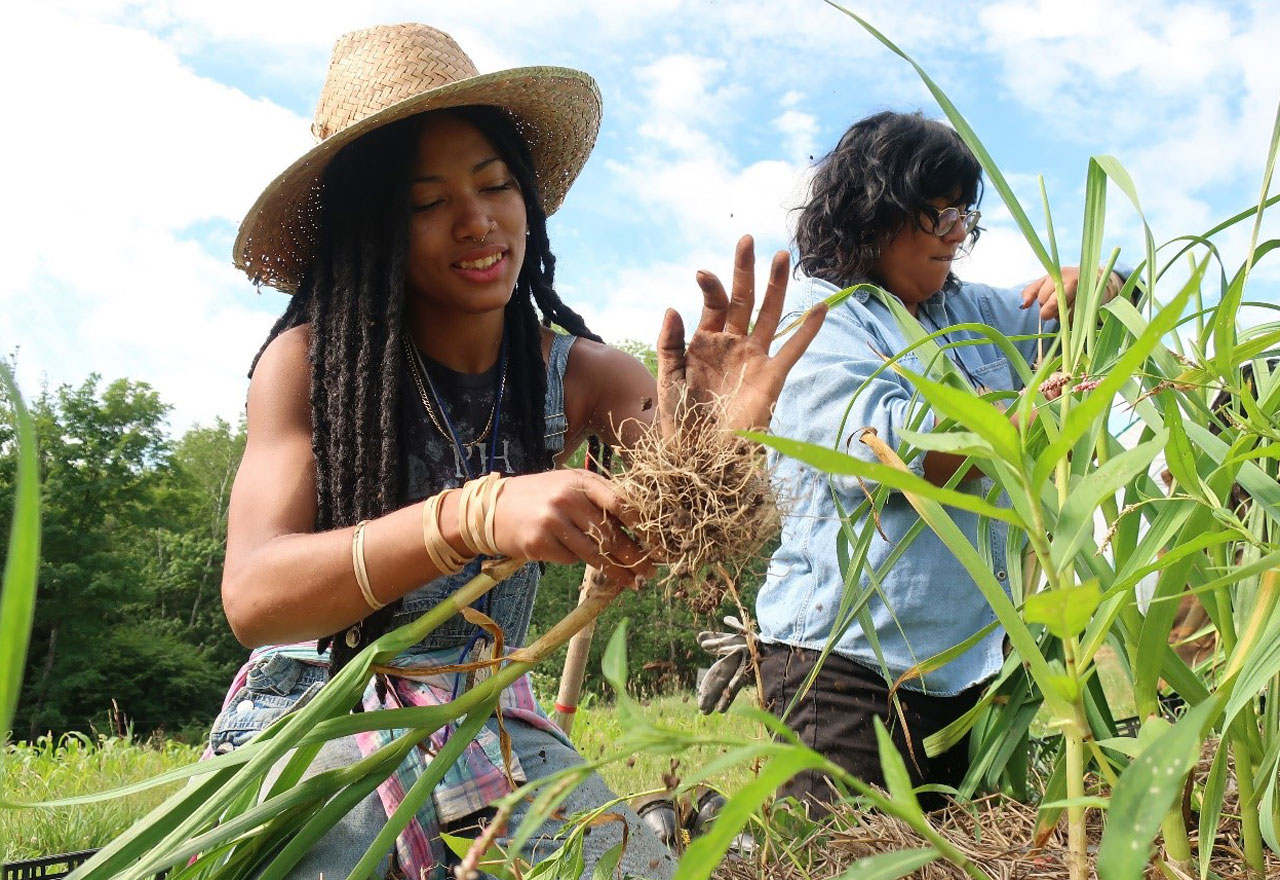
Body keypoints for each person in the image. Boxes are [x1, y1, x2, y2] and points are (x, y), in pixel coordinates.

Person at [207, 23, 825, 880]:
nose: (477, 221)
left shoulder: (578, 374)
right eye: (427, 203)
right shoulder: (306, 366)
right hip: (320, 715)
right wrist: (469, 516)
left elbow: (700, 527)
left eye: (496, 185)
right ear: (371, 229)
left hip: (486, 721)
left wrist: (721, 449)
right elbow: (255, 597)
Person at [754, 110, 1114, 812]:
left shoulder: (962, 311)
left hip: (966, 675)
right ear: (873, 213)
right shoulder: (825, 321)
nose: (958, 234)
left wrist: (1099, 284)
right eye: (938, 213)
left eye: (965, 215)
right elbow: (889, 451)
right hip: (847, 670)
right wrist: (1022, 417)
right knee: (838, 858)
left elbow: (1079, 318)